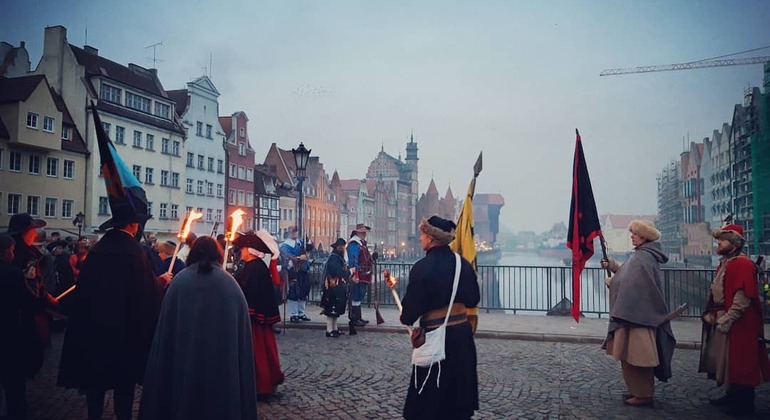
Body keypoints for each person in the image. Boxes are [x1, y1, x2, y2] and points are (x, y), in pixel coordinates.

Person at [57, 209, 171, 420]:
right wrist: (160, 283)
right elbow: (144, 294)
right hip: (125, 334)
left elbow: (84, 292)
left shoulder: (98, 250)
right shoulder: (135, 253)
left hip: (94, 332)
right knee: (124, 387)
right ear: (132, 225)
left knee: (95, 386)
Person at [139, 236, 257, 420]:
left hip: (184, 367)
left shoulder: (179, 283)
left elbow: (165, 338)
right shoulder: (230, 285)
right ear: (217, 254)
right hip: (222, 370)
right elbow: (242, 341)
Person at [400, 216, 480, 420]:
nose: (420, 238)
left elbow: (408, 315)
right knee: (458, 397)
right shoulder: (462, 264)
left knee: (430, 400)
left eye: (423, 234)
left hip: (436, 336)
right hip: (461, 336)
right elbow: (473, 300)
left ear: (431, 238)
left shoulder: (422, 268)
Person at [601, 220, 676, 407]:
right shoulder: (642, 256)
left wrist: (613, 283)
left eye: (634, 233)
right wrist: (612, 266)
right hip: (635, 315)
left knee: (639, 358)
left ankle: (643, 394)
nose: (632, 236)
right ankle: (638, 390)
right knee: (631, 357)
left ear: (644, 237)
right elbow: (628, 275)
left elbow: (633, 285)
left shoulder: (643, 258)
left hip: (638, 318)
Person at [698, 223, 770, 415]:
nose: (718, 244)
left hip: (740, 323)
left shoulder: (742, 264)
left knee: (741, 361)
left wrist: (728, 318)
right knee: (730, 361)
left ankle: (743, 404)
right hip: (726, 319)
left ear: (734, 243)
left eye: (722, 240)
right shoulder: (727, 263)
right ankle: (731, 395)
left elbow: (743, 296)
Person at [233, 231, 285, 402]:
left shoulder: (253, 268)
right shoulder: (255, 267)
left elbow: (248, 292)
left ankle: (261, 386)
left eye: (243, 248)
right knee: (265, 351)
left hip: (254, 321)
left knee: (259, 353)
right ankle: (266, 384)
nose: (241, 251)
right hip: (258, 318)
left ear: (250, 250)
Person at [7, 214, 58, 377]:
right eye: (32, 230)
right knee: (18, 369)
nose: (35, 234)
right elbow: (31, 292)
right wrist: (42, 298)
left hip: (22, 319)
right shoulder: (25, 257)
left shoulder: (29, 254)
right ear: (23, 233)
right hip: (21, 321)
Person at [0, 233, 45, 420]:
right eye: (11, 251)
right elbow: (30, 302)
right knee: (13, 383)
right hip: (9, 333)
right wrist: (32, 282)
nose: (12, 254)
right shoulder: (12, 273)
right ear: (6, 252)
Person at [320, 238, 350, 337]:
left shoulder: (337, 257)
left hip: (337, 286)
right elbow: (337, 271)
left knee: (336, 309)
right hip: (332, 286)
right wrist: (348, 273)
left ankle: (335, 328)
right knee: (331, 309)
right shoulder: (334, 258)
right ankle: (329, 330)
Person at [280, 227, 311, 323]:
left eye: (296, 232)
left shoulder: (300, 242)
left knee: (303, 292)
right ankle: (294, 314)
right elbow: (286, 256)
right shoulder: (285, 245)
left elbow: (310, 248)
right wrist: (298, 257)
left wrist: (308, 242)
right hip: (293, 271)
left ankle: (301, 312)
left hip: (304, 270)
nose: (295, 234)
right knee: (293, 292)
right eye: (293, 232)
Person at [346, 223, 374, 327]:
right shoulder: (354, 243)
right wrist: (355, 274)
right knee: (355, 295)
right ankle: (354, 318)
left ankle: (358, 317)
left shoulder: (361, 243)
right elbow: (353, 259)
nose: (364, 234)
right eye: (362, 233)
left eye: (365, 232)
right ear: (358, 233)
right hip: (358, 273)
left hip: (363, 273)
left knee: (359, 295)